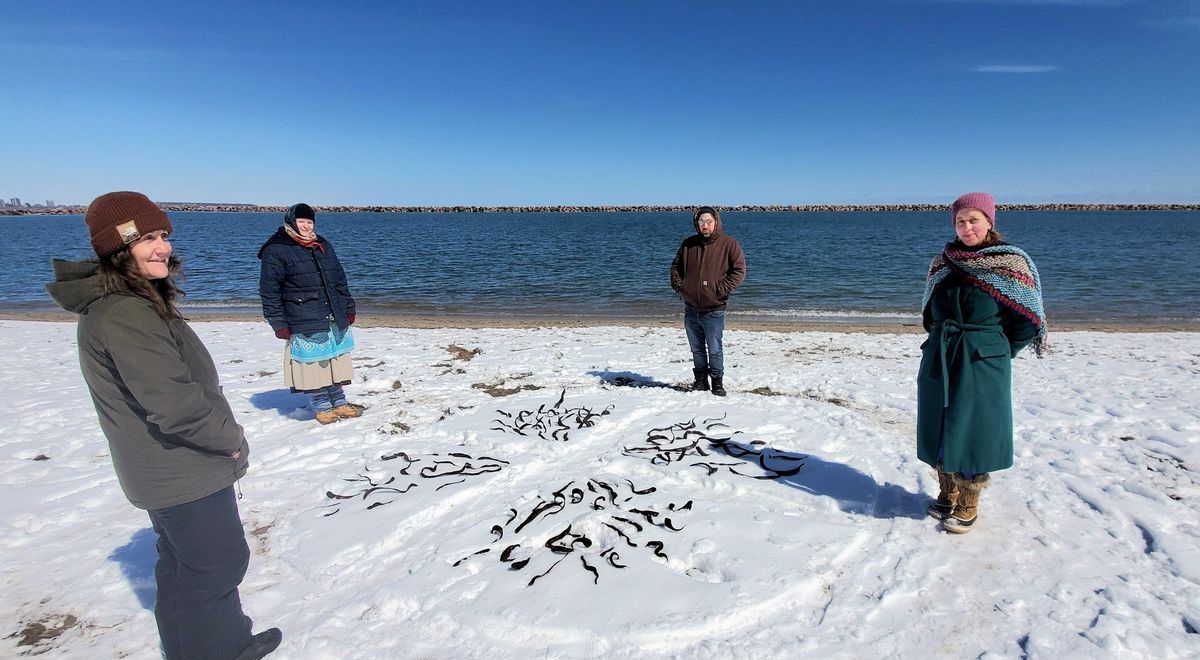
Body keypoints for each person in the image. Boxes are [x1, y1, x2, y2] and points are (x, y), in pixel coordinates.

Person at [46, 191, 282, 659]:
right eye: (147, 239)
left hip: (167, 466)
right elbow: (174, 405)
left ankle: (221, 642)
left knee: (188, 565)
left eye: (163, 236)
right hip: (179, 467)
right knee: (215, 565)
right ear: (118, 250)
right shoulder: (125, 312)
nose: (162, 248)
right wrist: (230, 440)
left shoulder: (129, 301)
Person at [917, 192, 1047, 534]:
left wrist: (996, 351)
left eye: (974, 220)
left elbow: (1026, 321)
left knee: (975, 427)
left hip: (982, 358)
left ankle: (969, 500)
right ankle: (948, 490)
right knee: (941, 422)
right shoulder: (942, 262)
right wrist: (938, 340)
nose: (966, 227)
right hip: (942, 352)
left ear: (990, 222)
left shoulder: (1010, 264)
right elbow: (929, 310)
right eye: (960, 221)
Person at [257, 203, 361, 424]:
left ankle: (340, 402)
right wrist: (278, 323)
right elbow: (269, 291)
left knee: (334, 361)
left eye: (309, 222)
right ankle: (322, 406)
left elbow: (339, 279)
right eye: (301, 222)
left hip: (332, 313)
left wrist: (348, 307)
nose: (305, 226)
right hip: (302, 315)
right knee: (313, 366)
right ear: (291, 222)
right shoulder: (277, 249)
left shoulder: (322, 245)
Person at [669, 206, 747, 396]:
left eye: (709, 222)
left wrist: (719, 291)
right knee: (697, 350)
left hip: (714, 308)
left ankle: (717, 382)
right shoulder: (689, 244)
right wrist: (681, 287)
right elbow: (675, 268)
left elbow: (739, 272)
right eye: (701, 222)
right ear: (697, 224)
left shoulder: (729, 244)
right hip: (691, 308)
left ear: (716, 222)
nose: (705, 225)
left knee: (715, 350)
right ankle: (700, 381)